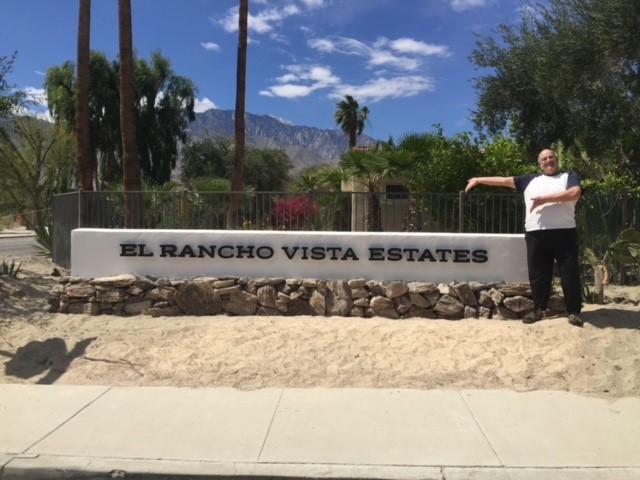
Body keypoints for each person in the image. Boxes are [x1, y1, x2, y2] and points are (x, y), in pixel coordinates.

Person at [465, 148, 584, 327]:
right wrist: (478, 180)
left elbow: (575, 193)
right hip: (536, 233)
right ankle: (538, 310)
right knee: (538, 274)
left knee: (570, 273)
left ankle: (573, 311)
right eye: (544, 158)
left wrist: (544, 200)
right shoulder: (530, 180)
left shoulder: (568, 176)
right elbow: (503, 181)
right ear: (540, 163)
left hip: (564, 232)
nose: (548, 160)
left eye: (551, 157)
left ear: (557, 159)